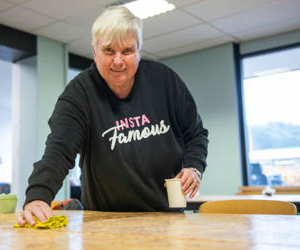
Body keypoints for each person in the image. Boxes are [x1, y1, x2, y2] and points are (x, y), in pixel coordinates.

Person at [17, 6, 208, 227]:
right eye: (109, 50)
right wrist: (39, 195)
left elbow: (195, 134)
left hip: (166, 218)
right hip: (103, 221)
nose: (118, 61)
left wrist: (194, 167)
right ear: (94, 50)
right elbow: (59, 149)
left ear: (138, 50)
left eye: (127, 51)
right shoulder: (80, 93)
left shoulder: (164, 81)